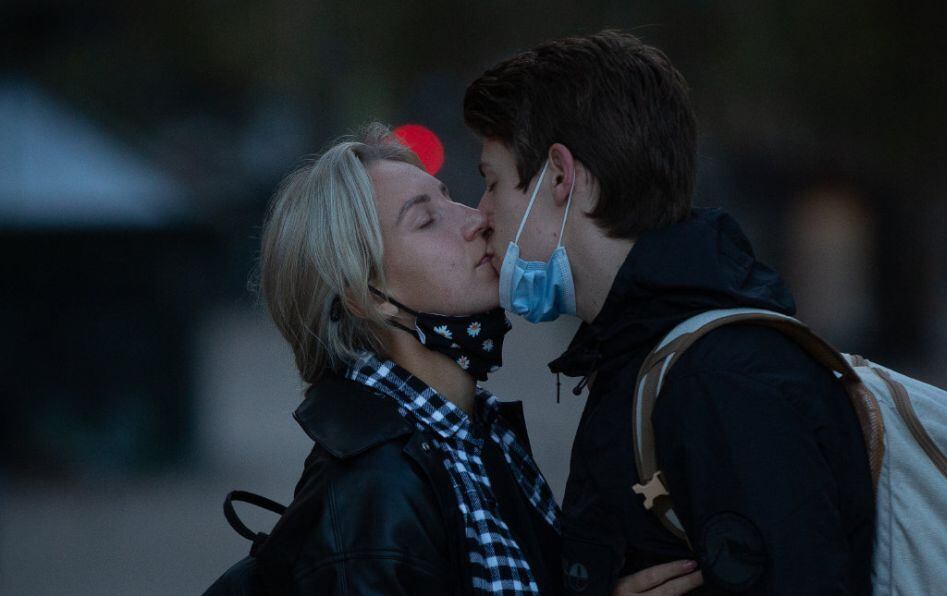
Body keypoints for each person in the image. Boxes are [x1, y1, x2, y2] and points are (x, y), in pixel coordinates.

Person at [204, 123, 703, 595]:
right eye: (426, 220)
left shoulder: (478, 438)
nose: (476, 219)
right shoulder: (371, 495)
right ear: (367, 295)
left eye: (450, 197)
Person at [464, 31, 875, 594]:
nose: (481, 214)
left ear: (560, 177)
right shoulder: (643, 344)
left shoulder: (722, 379)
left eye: (491, 184)